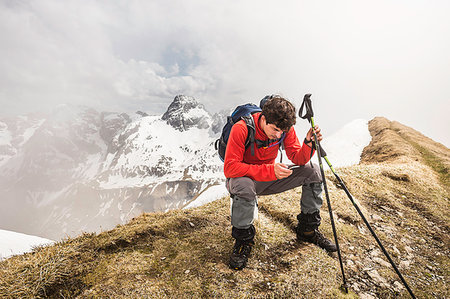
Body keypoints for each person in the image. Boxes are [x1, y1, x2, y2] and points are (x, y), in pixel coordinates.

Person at [224, 95, 337, 270]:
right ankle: (243, 242)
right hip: (246, 181)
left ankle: (307, 230)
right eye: (275, 129)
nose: (278, 135)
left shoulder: (284, 129)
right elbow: (230, 168)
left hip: (271, 178)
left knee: (313, 171)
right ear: (263, 117)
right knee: (244, 186)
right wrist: (270, 170)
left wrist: (308, 143)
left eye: (282, 132)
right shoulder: (242, 128)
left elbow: (298, 158)